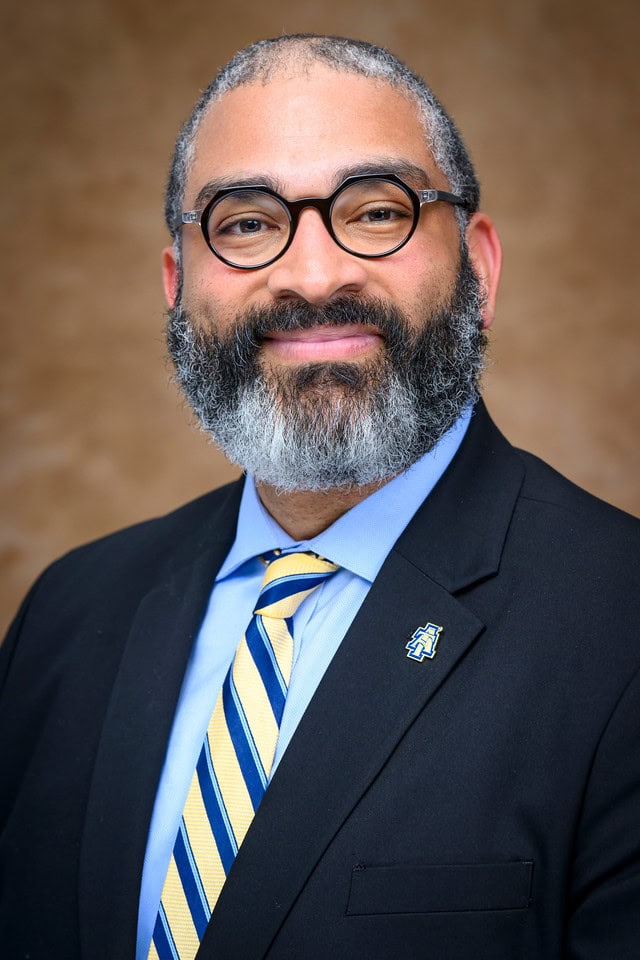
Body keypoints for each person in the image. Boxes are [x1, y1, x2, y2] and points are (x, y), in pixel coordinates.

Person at [0, 33, 638, 960]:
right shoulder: (68, 615)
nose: (311, 275)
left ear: (481, 268)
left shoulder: (619, 624)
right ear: (178, 284)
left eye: (376, 212)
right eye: (247, 223)